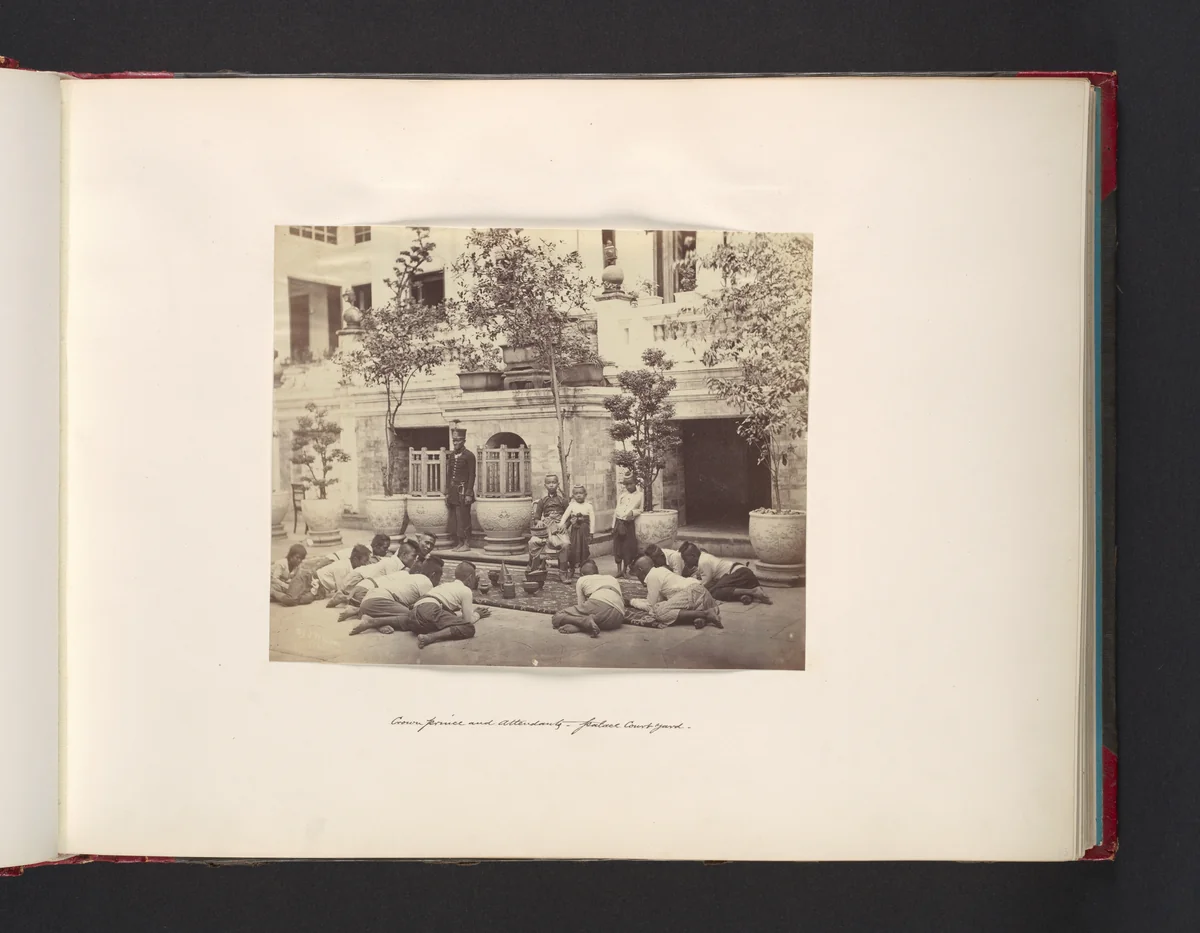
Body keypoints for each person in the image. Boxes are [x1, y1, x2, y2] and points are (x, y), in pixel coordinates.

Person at [406, 560, 491, 649]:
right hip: (429, 610)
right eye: (474, 578)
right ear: (470, 579)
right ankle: (430, 638)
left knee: (448, 618)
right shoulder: (465, 590)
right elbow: (468, 620)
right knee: (468, 628)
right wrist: (477, 614)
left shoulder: (445, 585)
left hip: (413, 615)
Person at [350, 557, 443, 635]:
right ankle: (373, 622)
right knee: (416, 618)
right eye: (440, 577)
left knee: (404, 611)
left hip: (368, 601)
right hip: (378, 601)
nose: (439, 581)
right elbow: (426, 607)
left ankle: (372, 618)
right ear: (433, 574)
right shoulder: (427, 582)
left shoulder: (412, 577)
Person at [629, 555, 722, 629]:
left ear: (640, 570)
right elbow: (659, 601)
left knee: (659, 612)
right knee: (662, 605)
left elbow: (650, 606)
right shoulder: (661, 570)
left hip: (691, 592)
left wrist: (632, 602)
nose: (637, 576)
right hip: (701, 592)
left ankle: (705, 614)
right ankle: (700, 617)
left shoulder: (652, 576)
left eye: (636, 573)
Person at [679, 542, 773, 605]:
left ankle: (753, 592)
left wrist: (691, 590)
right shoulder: (704, 557)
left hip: (739, 573)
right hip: (743, 574)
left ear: (693, 556)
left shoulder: (703, 562)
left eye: (685, 559)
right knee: (718, 587)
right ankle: (744, 595)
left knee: (714, 592)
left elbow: (705, 584)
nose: (685, 563)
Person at [551, 559, 626, 637]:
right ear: (597, 572)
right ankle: (584, 625)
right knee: (596, 615)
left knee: (557, 616)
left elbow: (581, 604)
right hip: (618, 618)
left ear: (582, 574)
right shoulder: (611, 578)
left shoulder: (582, 579)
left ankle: (583, 623)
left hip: (599, 605)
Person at [527, 473, 569, 574]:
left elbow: (568, 517)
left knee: (565, 544)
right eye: (549, 483)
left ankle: (563, 572)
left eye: (554, 482)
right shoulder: (542, 501)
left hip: (559, 527)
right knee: (532, 542)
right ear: (545, 485)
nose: (551, 485)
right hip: (545, 527)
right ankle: (534, 569)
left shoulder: (563, 500)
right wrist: (539, 521)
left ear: (558, 484)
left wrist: (565, 525)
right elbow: (537, 518)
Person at [445, 427, 477, 552]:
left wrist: (469, 493)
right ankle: (459, 542)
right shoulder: (452, 455)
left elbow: (472, 475)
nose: (455, 443)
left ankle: (466, 543)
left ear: (463, 441)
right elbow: (449, 474)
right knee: (455, 518)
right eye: (454, 440)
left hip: (463, 491)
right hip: (453, 491)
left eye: (458, 440)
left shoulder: (469, 456)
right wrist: (447, 492)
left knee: (464, 517)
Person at [559, 484, 595, 581]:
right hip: (575, 531)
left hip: (585, 531)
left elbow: (592, 520)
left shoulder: (589, 506)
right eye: (576, 493)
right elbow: (565, 516)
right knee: (573, 549)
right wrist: (561, 525)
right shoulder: (572, 506)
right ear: (573, 495)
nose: (578, 495)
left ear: (585, 494)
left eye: (581, 493)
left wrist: (591, 533)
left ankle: (583, 569)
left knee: (584, 549)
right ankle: (572, 568)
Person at [612, 474, 644, 578]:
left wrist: (633, 512)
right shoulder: (622, 495)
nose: (629, 486)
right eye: (627, 484)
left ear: (635, 483)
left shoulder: (640, 495)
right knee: (618, 547)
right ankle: (618, 570)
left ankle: (625, 570)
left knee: (627, 547)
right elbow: (616, 510)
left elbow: (641, 509)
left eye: (631, 483)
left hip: (628, 523)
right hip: (619, 522)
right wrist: (613, 526)